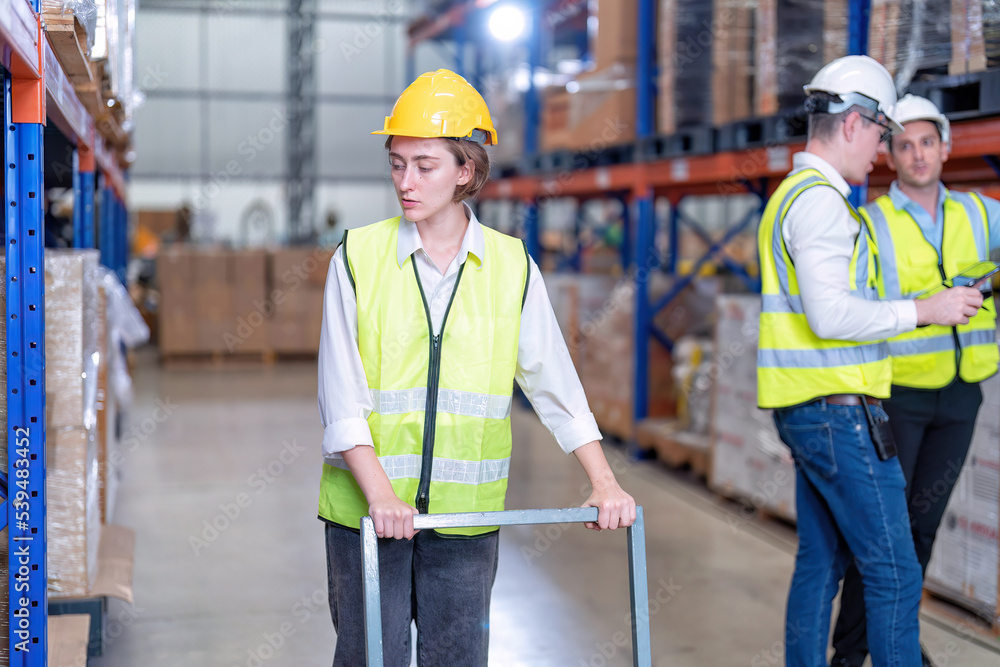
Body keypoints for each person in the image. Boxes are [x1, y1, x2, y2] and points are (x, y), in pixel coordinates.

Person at [315, 69, 636, 667]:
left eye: (424, 165)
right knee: (369, 659)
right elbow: (340, 395)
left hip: (465, 522)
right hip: (367, 512)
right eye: (396, 163)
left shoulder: (511, 266)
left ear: (466, 170)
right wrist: (382, 498)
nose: (405, 183)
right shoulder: (357, 257)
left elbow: (554, 381)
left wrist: (604, 479)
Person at [756, 56, 983, 667]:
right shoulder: (823, 203)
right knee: (895, 572)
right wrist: (924, 310)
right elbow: (829, 317)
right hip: (838, 413)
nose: (883, 153)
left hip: (810, 406)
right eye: (884, 135)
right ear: (854, 123)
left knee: (821, 563)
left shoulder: (793, 195)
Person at [831, 95, 1000, 667]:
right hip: (898, 391)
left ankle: (897, 639)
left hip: (960, 391)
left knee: (923, 526)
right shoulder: (872, 223)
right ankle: (852, 652)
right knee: (885, 533)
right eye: (905, 143)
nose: (918, 153)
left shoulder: (979, 212)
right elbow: (852, 303)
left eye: (928, 141)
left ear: (947, 148)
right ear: (889, 155)